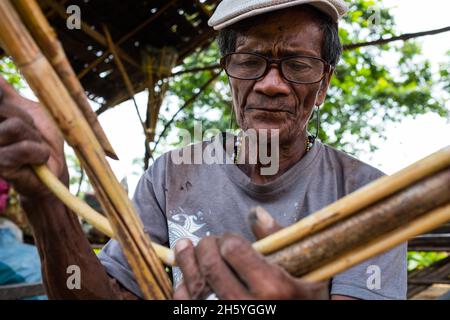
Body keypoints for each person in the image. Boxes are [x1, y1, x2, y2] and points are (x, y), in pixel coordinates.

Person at [0, 0, 407, 300]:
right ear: (228, 72)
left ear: (324, 86)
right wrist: (46, 199)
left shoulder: (368, 195)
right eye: (250, 60)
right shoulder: (170, 175)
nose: (271, 84)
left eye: (299, 65)